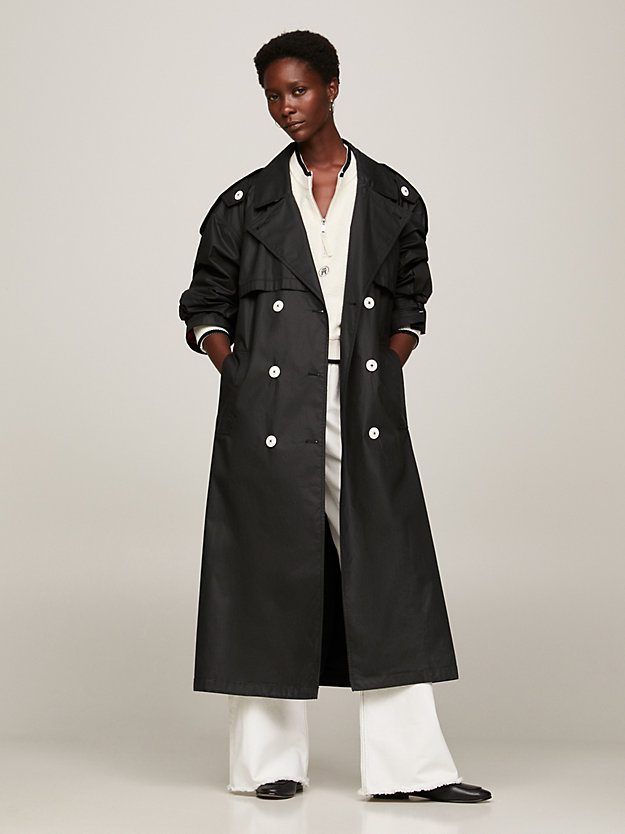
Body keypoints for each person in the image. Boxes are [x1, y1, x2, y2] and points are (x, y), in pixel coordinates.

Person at [178, 29, 492, 803]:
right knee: (267, 571)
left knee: (388, 572)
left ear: (331, 88)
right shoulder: (245, 203)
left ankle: (411, 771)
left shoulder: (392, 198)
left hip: (360, 406)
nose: (285, 107)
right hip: (269, 411)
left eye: (298, 90)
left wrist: (386, 365)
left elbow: (411, 297)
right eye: (272, 95)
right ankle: (267, 766)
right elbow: (204, 301)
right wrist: (237, 371)